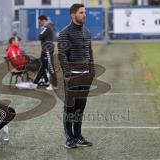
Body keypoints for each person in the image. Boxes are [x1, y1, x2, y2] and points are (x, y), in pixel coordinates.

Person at [58, 3, 95, 148]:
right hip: (73, 76)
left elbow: (89, 52)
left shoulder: (86, 31)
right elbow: (62, 56)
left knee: (81, 107)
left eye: (84, 12)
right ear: (73, 15)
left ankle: (78, 136)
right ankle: (69, 138)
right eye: (81, 12)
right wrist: (67, 74)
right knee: (70, 108)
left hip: (86, 75)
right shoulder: (65, 33)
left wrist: (91, 71)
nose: (84, 15)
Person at [31, 15, 57, 90]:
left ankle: (54, 85)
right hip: (45, 49)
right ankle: (39, 83)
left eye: (40, 22)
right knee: (42, 66)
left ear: (43, 20)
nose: (39, 24)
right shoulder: (50, 26)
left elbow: (40, 36)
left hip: (47, 50)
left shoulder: (47, 27)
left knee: (50, 67)